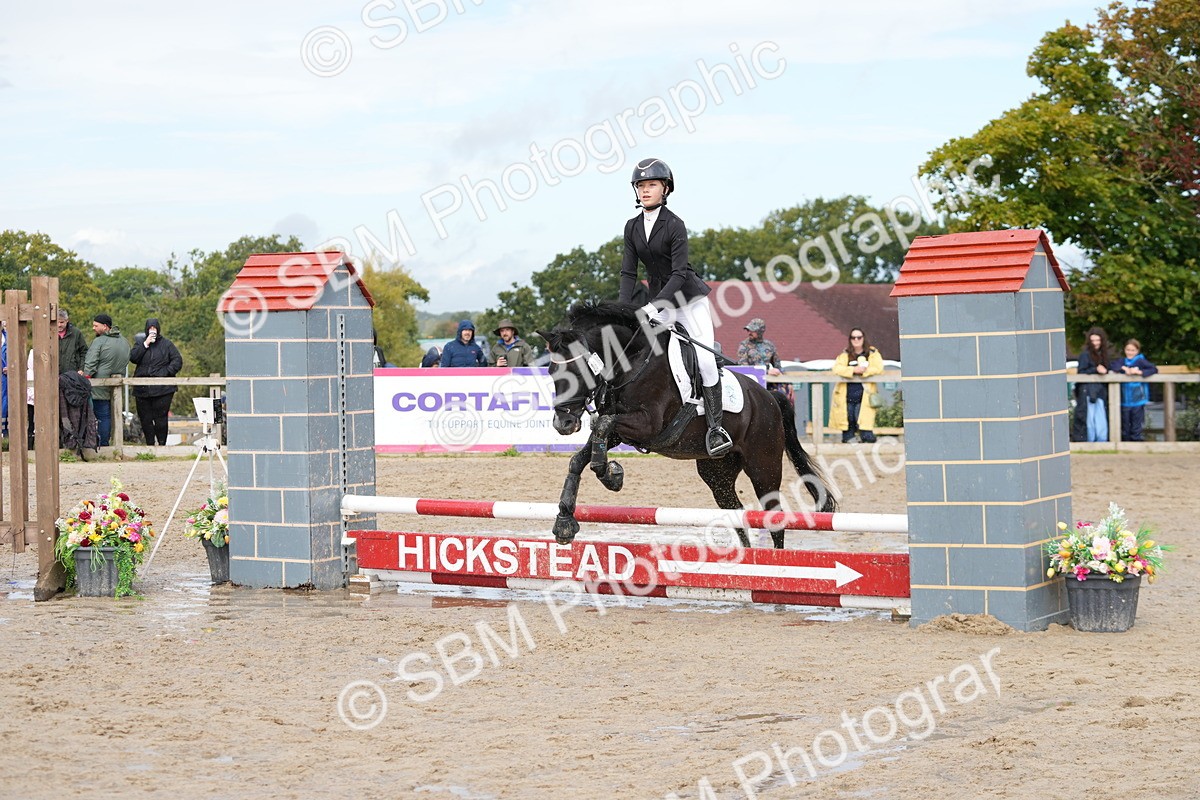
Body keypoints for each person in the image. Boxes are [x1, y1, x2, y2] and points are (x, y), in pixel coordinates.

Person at [618, 157, 732, 457]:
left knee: (706, 362)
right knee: (653, 358)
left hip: (688, 300)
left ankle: (716, 428)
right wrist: (622, 310)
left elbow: (680, 273)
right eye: (640, 185)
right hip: (659, 301)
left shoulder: (675, 225)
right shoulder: (632, 227)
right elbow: (628, 273)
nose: (645, 190)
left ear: (665, 189)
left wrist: (656, 305)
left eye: (651, 185)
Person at [128, 317, 183, 446]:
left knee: (161, 419)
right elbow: (133, 358)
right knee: (145, 419)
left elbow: (177, 360)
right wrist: (145, 344)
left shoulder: (167, 344)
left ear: (158, 329)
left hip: (163, 389)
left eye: (154, 328)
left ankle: (162, 445)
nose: (152, 331)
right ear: (146, 330)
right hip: (142, 389)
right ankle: (150, 445)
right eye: (150, 328)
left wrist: (166, 372)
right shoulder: (140, 343)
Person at [83, 313, 130, 447]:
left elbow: (91, 362)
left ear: (105, 326)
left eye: (95, 325)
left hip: (99, 385)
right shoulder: (124, 341)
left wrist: (85, 376)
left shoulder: (99, 341)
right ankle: (110, 443)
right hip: (116, 385)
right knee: (112, 416)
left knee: (101, 417)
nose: (93, 328)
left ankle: (100, 444)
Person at [831, 328, 884, 444]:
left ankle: (867, 439)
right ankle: (849, 439)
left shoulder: (872, 353)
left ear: (863, 338)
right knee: (848, 420)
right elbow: (837, 368)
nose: (856, 340)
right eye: (853, 337)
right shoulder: (845, 354)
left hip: (865, 393)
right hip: (847, 393)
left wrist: (864, 371)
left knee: (863, 421)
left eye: (859, 337)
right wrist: (853, 370)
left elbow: (878, 368)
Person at [1114, 339, 1157, 442]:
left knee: (1136, 423)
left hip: (1138, 398)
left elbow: (1153, 369)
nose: (1130, 352)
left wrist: (1139, 372)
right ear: (1125, 350)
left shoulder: (1141, 361)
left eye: (1133, 350)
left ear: (1137, 351)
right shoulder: (1122, 361)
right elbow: (1114, 366)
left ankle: (1136, 441)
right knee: (1125, 423)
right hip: (1125, 399)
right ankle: (1126, 441)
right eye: (1128, 350)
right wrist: (1124, 369)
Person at [737, 317, 790, 399]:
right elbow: (744, 368)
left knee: (782, 396)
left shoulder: (769, 345)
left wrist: (788, 383)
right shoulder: (744, 346)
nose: (749, 333)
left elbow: (778, 367)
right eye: (748, 330)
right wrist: (766, 372)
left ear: (760, 331)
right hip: (752, 383)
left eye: (752, 330)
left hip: (769, 383)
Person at [1076, 326, 1112, 443]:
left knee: (1100, 419)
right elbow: (1081, 372)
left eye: (1098, 340)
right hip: (1087, 391)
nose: (1095, 343)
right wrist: (1096, 370)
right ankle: (1088, 441)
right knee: (1089, 419)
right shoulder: (1085, 355)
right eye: (1093, 340)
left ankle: (1101, 441)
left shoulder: (1104, 355)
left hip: (1100, 391)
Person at [58, 309, 89, 374]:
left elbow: (84, 352)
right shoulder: (48, 334)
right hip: (53, 374)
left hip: (73, 373)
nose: (59, 325)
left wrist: (81, 368)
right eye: (57, 322)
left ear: (67, 321)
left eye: (61, 322)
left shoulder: (76, 333)